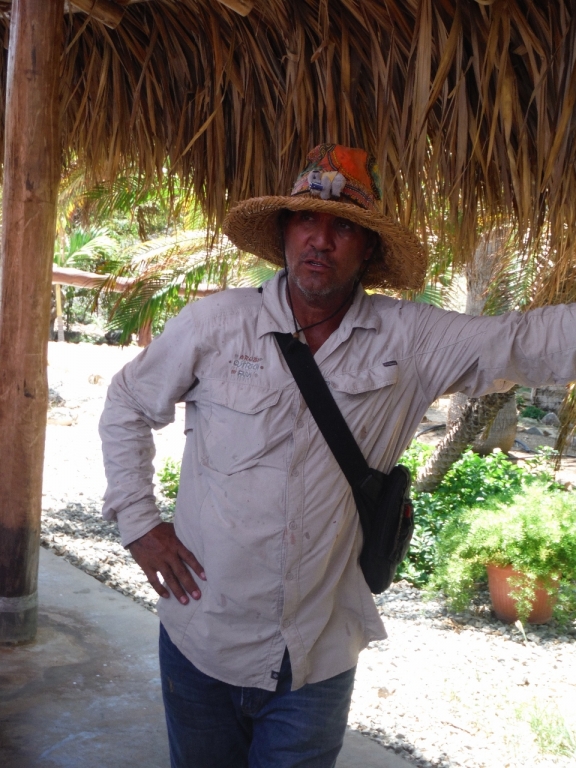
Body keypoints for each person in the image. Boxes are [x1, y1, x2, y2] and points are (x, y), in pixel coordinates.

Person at [99, 144, 576, 768]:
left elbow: (522, 341)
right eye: (306, 220)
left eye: (344, 226)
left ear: (369, 250)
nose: (321, 240)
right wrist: (139, 522)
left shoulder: (413, 340)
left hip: (315, 658)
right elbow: (128, 403)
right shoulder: (215, 324)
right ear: (283, 232)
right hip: (200, 639)